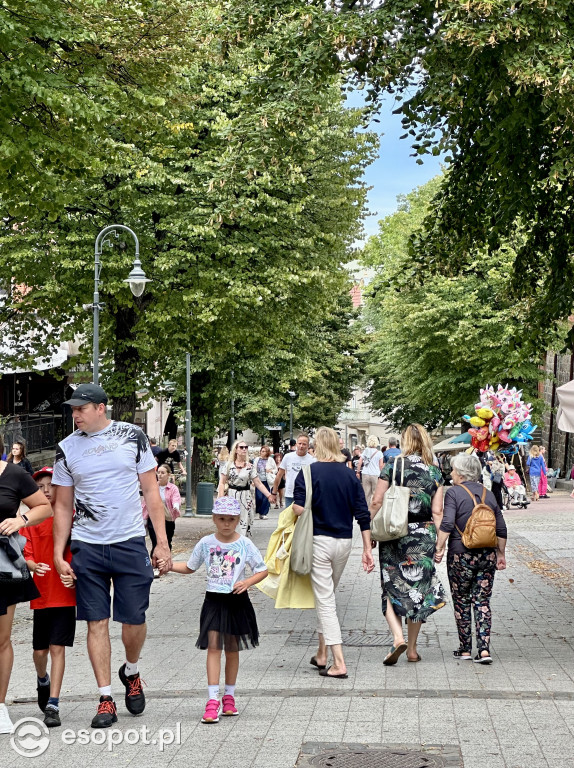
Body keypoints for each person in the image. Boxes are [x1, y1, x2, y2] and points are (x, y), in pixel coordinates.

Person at [52, 383, 172, 729]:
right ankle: (105, 698)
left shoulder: (133, 436)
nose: (75, 415)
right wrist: (59, 553)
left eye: (81, 409)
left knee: (134, 619)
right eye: (73, 410)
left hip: (130, 540)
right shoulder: (66, 448)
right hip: (87, 545)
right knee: (96, 622)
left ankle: (130, 671)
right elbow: (62, 504)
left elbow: (151, 490)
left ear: (101, 408)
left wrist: (160, 543)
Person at [158, 497, 267, 723]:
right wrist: (169, 567)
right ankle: (212, 699)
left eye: (231, 519)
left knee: (232, 649)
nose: (226, 524)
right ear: (214, 519)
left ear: (238, 520)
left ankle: (229, 696)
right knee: (214, 648)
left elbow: (262, 569)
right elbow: (190, 566)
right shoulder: (206, 543)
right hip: (214, 601)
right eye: (222, 519)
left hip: (237, 600)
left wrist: (247, 583)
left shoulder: (245, 544)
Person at [293, 427, 374, 678]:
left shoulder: (308, 472)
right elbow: (362, 513)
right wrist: (368, 548)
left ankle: (338, 663)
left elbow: (297, 508)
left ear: (318, 445)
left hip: (318, 542)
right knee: (325, 596)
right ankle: (322, 654)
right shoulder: (350, 476)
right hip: (344, 544)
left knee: (326, 601)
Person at [369, 424, 446, 665]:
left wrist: (371, 530)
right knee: (419, 592)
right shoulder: (434, 472)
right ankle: (412, 650)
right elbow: (438, 511)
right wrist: (441, 543)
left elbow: (377, 500)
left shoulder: (393, 466)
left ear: (404, 441)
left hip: (395, 533)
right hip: (423, 535)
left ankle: (397, 637)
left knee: (392, 586)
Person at [0, 436, 53, 735]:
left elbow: (43, 507)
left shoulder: (14, 474)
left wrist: (20, 520)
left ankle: (0, 707)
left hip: (2, 565)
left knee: (2, 639)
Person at [435, 453, 507, 664]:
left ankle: (465, 648)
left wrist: (439, 548)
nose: (451, 473)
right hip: (487, 554)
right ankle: (484, 650)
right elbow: (501, 527)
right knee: (482, 600)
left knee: (461, 601)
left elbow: (447, 523)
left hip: (461, 554)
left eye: (454, 469)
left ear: (461, 473)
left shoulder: (454, 493)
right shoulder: (488, 494)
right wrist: (500, 554)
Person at [22, 467, 76, 728]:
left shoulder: (71, 517)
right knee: (39, 651)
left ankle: (53, 703)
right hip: (41, 595)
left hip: (65, 595)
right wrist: (32, 565)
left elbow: (79, 552)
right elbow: (25, 551)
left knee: (58, 648)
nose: (45, 490)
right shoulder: (31, 520)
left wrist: (74, 574)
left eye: (50, 485)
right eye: (40, 486)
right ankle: (42, 678)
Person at [217, 441, 274, 537]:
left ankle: (242, 546)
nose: (244, 449)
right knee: (230, 522)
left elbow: (258, 483)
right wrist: (221, 499)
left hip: (245, 497)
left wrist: (269, 495)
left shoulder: (250, 467)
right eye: (241, 447)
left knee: (244, 524)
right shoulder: (228, 465)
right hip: (231, 496)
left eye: (246, 447)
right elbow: (222, 483)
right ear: (236, 450)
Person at [141, 464, 181, 559]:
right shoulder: (153, 487)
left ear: (168, 475)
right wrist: (144, 518)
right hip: (153, 518)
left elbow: (176, 498)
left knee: (167, 541)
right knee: (155, 541)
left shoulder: (173, 488)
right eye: (158, 472)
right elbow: (146, 503)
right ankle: (155, 564)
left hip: (167, 519)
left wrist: (176, 506)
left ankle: (165, 561)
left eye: (162, 473)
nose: (159, 475)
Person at [270, 434, 316, 508]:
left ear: (308, 446)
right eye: (299, 443)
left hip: (305, 496)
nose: (301, 446)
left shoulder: (312, 460)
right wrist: (274, 493)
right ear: (296, 444)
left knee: (303, 519)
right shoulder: (288, 457)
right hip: (290, 495)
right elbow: (279, 475)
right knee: (289, 519)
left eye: (304, 444)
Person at [357, 435, 384, 507]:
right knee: (375, 493)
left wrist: (358, 472)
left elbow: (360, 462)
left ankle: (366, 510)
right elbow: (381, 466)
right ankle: (373, 510)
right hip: (375, 474)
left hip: (365, 474)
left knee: (366, 494)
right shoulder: (379, 453)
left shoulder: (365, 451)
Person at [254, 446, 275, 520]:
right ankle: (260, 511)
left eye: (264, 451)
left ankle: (264, 513)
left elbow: (275, 469)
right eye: (261, 451)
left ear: (267, 452)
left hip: (267, 480)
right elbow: (254, 469)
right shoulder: (257, 459)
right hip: (259, 480)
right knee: (259, 497)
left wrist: (271, 471)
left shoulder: (271, 460)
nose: (262, 453)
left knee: (266, 497)